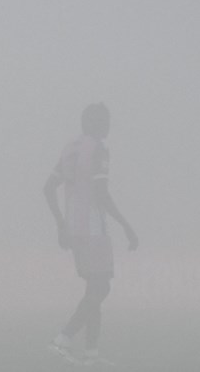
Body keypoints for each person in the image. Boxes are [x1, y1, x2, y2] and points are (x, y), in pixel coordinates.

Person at [44, 103, 138, 364]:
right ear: (95, 124)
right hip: (94, 229)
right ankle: (63, 338)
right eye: (105, 120)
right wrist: (126, 225)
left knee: (93, 287)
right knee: (102, 286)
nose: (108, 126)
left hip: (74, 229)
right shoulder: (99, 149)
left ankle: (91, 354)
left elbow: (48, 187)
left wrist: (60, 224)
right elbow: (101, 193)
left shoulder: (70, 149)